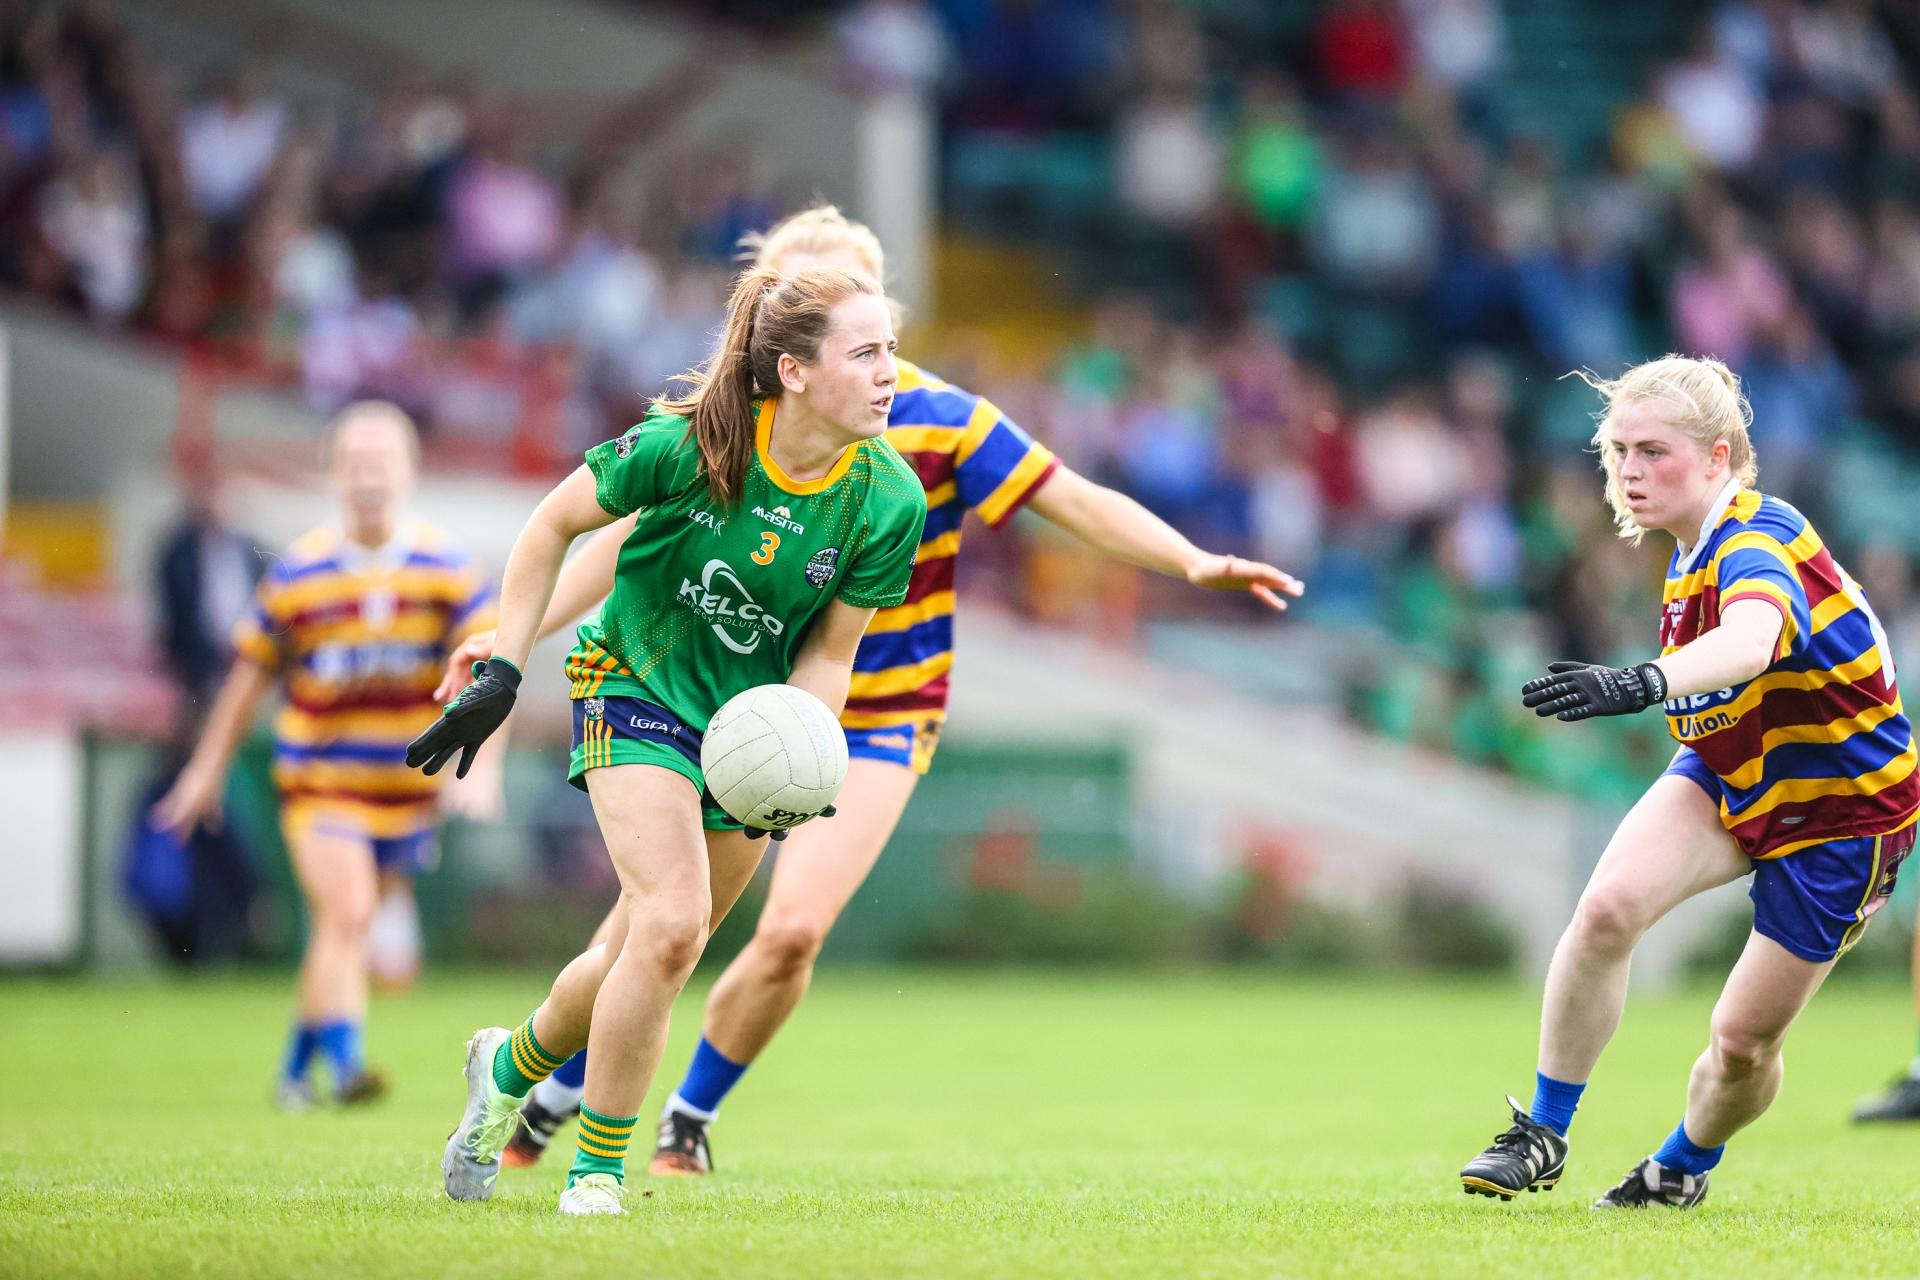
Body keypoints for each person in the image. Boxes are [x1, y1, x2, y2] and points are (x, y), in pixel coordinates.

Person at [436, 205, 1304, 1177]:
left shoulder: (935, 423)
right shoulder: (728, 428)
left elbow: (1075, 498)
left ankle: (682, 1115)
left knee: (780, 929)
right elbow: (623, 547)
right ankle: (551, 1089)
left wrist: (1190, 560)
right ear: (787, 347)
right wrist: (513, 638)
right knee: (660, 928)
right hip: (740, 695)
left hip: (875, 710)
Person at [418, 263, 927, 1217]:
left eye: (890, 350)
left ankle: (508, 1067)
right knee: (672, 923)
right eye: (865, 353)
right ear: (793, 372)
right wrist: (505, 666)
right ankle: (597, 1174)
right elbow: (552, 526)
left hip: (746, 738)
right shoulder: (688, 445)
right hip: (633, 688)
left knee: (647, 952)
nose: (890, 372)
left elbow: (832, 652)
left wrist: (802, 744)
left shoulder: (891, 499)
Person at [1458, 355, 1918, 1208]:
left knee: (1741, 1048)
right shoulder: (1689, 548)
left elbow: (1751, 640)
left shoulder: (1756, 537)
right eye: (1619, 451)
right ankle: (1542, 1133)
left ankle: (1680, 1166)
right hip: (1731, 763)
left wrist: (1640, 681)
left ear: (1717, 457)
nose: (1629, 472)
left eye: (1653, 452)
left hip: (1842, 817)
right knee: (1606, 910)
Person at [152, 402, 500, 1108]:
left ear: (410, 471)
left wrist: (484, 767)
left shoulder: (448, 569)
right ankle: (346, 1067)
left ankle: (292, 1074)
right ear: (332, 474)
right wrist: (205, 771)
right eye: (354, 463)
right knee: (347, 913)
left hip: (405, 791)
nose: (368, 477)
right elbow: (247, 681)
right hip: (321, 783)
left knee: (349, 929)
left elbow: (494, 673)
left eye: (381, 462)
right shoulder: (299, 571)